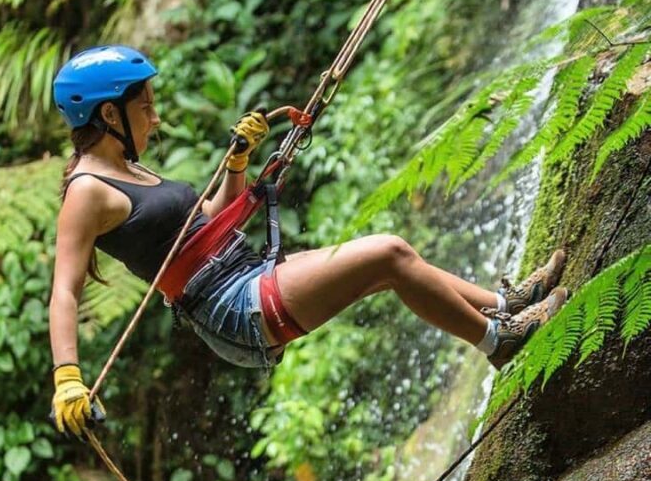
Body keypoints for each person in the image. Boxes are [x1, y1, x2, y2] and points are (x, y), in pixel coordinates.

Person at [49, 45, 568, 437]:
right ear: (110, 115)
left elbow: (205, 221)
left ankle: (507, 305)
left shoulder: (129, 167)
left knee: (395, 259)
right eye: (145, 107)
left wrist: (238, 164)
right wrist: (67, 376)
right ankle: (499, 342)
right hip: (233, 308)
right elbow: (65, 291)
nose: (156, 117)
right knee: (387, 253)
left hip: (245, 275)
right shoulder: (88, 191)